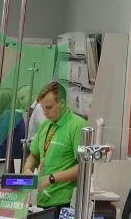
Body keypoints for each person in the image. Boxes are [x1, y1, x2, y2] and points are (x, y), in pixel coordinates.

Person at [22, 81, 87, 211]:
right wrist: (27, 169)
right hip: (40, 201)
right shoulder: (45, 126)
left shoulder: (77, 125)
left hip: (63, 203)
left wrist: (51, 178)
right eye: (43, 108)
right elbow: (34, 155)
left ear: (62, 103)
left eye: (49, 107)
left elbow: (85, 167)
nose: (45, 112)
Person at [0, 88, 27, 166]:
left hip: (4, 163)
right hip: (15, 161)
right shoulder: (18, 116)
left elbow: (1, 143)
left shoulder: (9, 116)